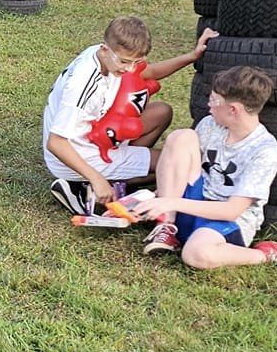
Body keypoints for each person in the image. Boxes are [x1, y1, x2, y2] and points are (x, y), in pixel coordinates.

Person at [133, 64, 277, 272]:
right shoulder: (210, 125)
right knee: (181, 137)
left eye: (213, 100)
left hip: (227, 220)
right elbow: (182, 169)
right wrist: (150, 199)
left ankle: (269, 254)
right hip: (192, 202)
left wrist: (170, 201)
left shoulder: (264, 150)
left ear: (233, 109)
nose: (209, 105)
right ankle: (166, 227)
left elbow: (231, 211)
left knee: (197, 255)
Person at [42, 16, 212, 215]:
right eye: (124, 62)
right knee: (171, 164)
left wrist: (192, 56)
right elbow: (56, 142)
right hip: (76, 153)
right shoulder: (83, 84)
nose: (130, 69)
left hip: (96, 135)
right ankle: (86, 185)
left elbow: (148, 72)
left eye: (136, 62)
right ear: (105, 49)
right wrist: (97, 178)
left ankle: (115, 172)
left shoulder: (105, 55)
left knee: (161, 112)